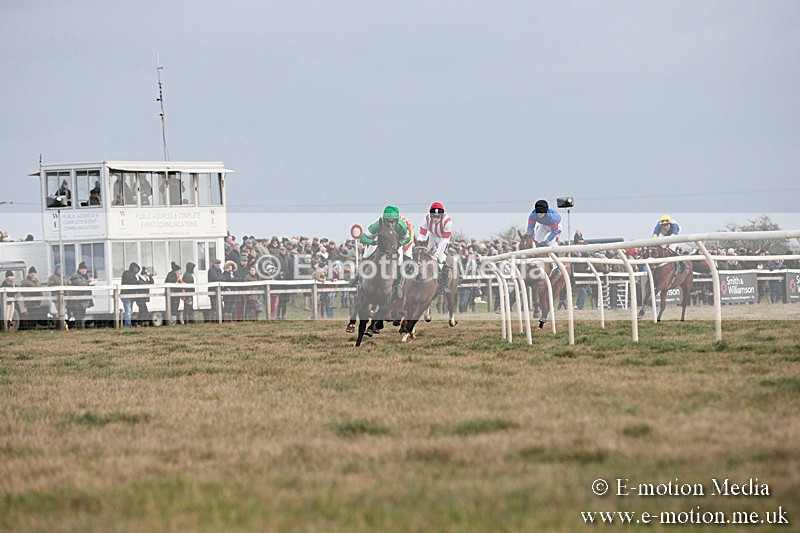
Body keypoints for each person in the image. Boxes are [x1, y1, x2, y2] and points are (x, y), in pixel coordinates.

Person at [350, 206, 411, 297]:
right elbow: (362, 238)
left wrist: (399, 243)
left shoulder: (401, 226)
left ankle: (398, 285)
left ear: (397, 221)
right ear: (384, 220)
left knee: (399, 260)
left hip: (394, 244)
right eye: (387, 221)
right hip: (379, 243)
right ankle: (358, 276)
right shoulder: (378, 225)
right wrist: (372, 242)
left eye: (392, 222)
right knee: (367, 254)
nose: (390, 224)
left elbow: (408, 238)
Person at [417, 201, 454, 294]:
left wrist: (436, 255)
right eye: (434, 216)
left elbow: (444, 241)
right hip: (432, 236)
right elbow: (421, 235)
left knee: (441, 259)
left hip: (443, 239)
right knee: (421, 253)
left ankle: (445, 285)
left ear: (441, 215)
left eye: (438, 216)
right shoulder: (426, 219)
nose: (436, 219)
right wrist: (420, 247)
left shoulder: (448, 222)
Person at [67, 262, 94, 329]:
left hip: (82, 300)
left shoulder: (83, 276)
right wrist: (89, 281)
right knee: (78, 315)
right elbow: (81, 285)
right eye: (84, 269)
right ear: (80, 269)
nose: (85, 271)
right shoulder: (75, 277)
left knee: (82, 315)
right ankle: (80, 328)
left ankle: (81, 328)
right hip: (77, 300)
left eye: (85, 269)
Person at [120, 262, 141, 327]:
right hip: (126, 295)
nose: (137, 270)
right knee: (128, 310)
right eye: (136, 268)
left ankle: (128, 323)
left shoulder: (129, 274)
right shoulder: (128, 274)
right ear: (133, 268)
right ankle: (128, 324)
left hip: (130, 295)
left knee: (129, 310)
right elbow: (131, 282)